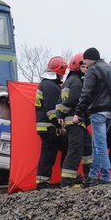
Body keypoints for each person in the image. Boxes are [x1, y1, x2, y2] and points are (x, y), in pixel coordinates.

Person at [73, 47, 111, 185]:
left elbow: (86, 93)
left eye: (85, 60)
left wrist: (78, 113)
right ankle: (93, 175)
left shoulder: (93, 70)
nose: (84, 63)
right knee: (96, 144)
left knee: (100, 145)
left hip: (99, 111)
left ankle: (105, 176)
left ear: (90, 58)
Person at [55, 53, 91, 188]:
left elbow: (60, 103)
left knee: (87, 147)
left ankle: (89, 177)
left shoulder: (67, 82)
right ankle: (67, 184)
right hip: (76, 122)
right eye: (83, 66)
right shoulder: (76, 82)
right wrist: (62, 114)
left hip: (75, 122)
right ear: (76, 66)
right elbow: (74, 100)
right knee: (75, 151)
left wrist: (60, 115)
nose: (86, 69)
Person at [35, 56, 67, 189]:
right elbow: (50, 109)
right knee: (49, 153)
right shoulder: (51, 86)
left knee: (50, 152)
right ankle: (43, 183)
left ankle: (43, 181)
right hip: (49, 127)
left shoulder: (45, 84)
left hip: (45, 126)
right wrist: (58, 124)